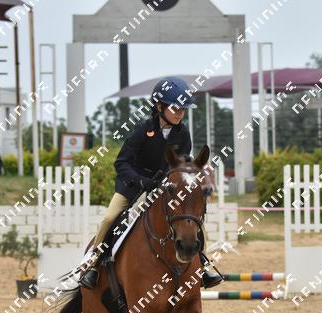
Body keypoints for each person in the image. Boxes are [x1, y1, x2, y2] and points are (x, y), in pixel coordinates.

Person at [79, 76, 223, 290]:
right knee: (110, 218)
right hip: (132, 186)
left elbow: (182, 165)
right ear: (159, 106)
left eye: (183, 109)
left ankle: (202, 266)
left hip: (164, 189)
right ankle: (93, 264)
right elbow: (121, 163)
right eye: (175, 108)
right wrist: (142, 182)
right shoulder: (143, 130)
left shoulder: (183, 134)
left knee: (194, 222)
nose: (180, 113)